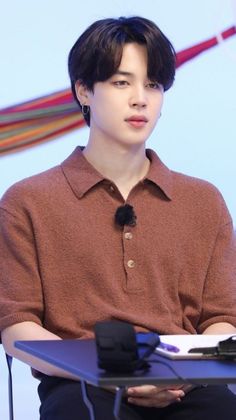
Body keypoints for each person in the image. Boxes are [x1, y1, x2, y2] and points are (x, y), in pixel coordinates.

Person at [0, 16, 236, 420]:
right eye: (122, 82)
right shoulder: (27, 201)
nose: (140, 98)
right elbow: (16, 327)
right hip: (80, 386)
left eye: (153, 84)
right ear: (84, 91)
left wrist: (177, 372)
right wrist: (115, 371)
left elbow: (225, 319)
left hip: (187, 384)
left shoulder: (203, 200)